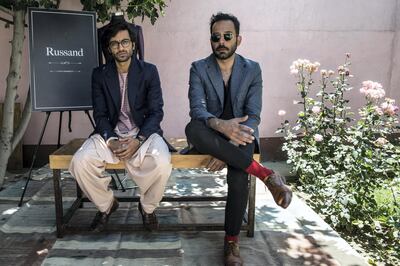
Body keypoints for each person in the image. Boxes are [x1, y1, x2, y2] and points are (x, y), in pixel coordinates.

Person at [185, 12, 293, 266]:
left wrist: (228, 147)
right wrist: (221, 127)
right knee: (193, 128)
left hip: (240, 138)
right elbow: (197, 110)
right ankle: (267, 175)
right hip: (209, 133)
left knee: (237, 176)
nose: (221, 41)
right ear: (210, 40)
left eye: (227, 36)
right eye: (216, 37)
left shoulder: (252, 69)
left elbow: (253, 115)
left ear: (238, 39)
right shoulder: (198, 68)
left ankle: (231, 241)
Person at [69, 22, 172, 232]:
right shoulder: (99, 74)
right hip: (111, 133)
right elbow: (100, 114)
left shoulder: (149, 71)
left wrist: (139, 140)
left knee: (162, 162)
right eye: (115, 44)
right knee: (80, 162)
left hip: (143, 133)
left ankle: (147, 208)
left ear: (133, 45)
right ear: (109, 48)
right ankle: (107, 205)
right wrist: (111, 140)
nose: (120, 47)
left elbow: (156, 112)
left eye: (125, 42)